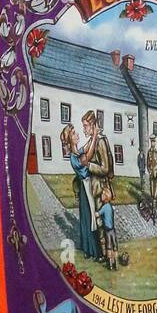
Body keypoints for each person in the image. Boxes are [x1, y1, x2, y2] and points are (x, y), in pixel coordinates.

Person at [60, 122, 99, 261]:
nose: (77, 135)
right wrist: (94, 136)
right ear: (70, 139)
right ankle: (91, 250)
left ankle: (92, 250)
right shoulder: (74, 156)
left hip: (88, 186)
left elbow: (87, 149)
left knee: (91, 218)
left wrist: (93, 137)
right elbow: (86, 159)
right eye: (74, 133)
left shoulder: (79, 151)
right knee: (88, 219)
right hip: (85, 187)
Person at [81, 110, 115, 261]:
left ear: (93, 125)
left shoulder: (100, 141)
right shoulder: (92, 141)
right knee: (98, 223)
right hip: (94, 188)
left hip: (101, 188)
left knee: (102, 224)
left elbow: (106, 168)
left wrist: (89, 166)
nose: (84, 129)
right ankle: (102, 254)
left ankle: (107, 256)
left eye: (86, 126)